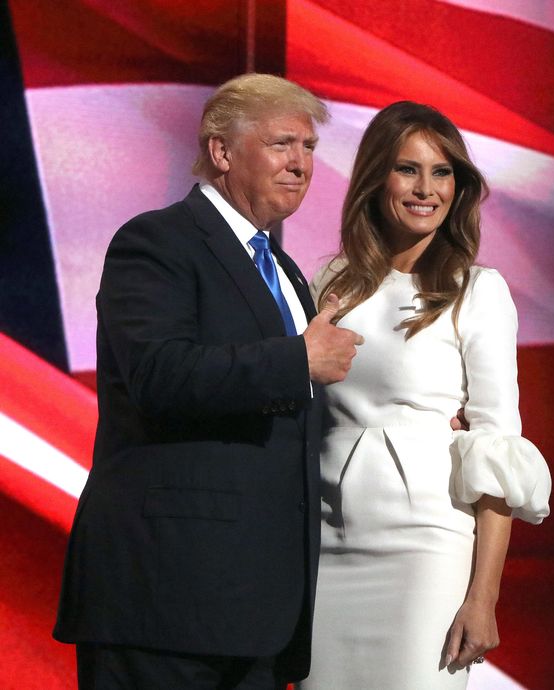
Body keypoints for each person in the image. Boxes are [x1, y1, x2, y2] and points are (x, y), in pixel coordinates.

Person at [53, 73, 363, 690]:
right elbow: (158, 374)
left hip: (255, 608)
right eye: (282, 144)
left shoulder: (286, 271)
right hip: (165, 598)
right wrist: (296, 361)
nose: (300, 164)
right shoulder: (157, 240)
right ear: (221, 152)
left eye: (308, 148)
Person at [298, 101, 552, 689]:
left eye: (442, 173)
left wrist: (483, 596)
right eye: (408, 169)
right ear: (375, 176)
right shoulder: (326, 284)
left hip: (425, 554)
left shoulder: (477, 290)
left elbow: (495, 447)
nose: (426, 189)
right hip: (325, 549)